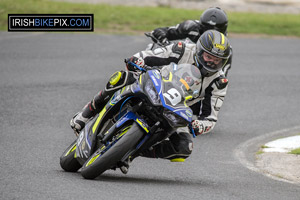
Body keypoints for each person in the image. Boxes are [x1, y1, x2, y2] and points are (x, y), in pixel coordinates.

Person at [70, 30, 232, 169]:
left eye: (217, 60)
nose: (211, 62)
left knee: (184, 147)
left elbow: (210, 118)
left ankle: (131, 152)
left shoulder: (219, 82)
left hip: (176, 108)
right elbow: (150, 55)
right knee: (122, 77)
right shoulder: (182, 50)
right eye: (208, 56)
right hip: (154, 86)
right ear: (198, 50)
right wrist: (138, 60)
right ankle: (84, 115)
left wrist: (199, 126)